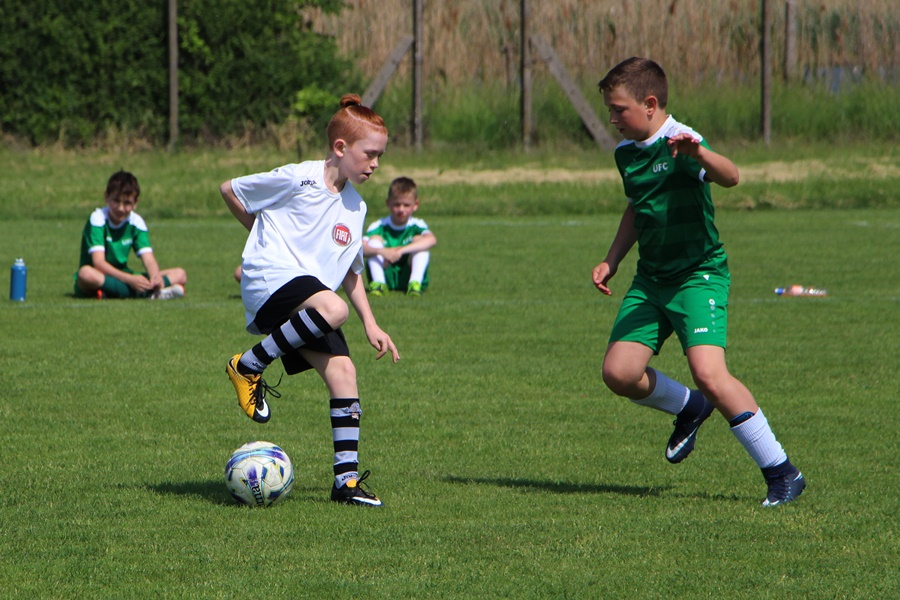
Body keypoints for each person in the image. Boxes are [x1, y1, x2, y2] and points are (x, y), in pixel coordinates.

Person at [592, 57, 805, 507]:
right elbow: (637, 206)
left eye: (618, 109)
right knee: (619, 373)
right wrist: (611, 259)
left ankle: (782, 472)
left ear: (650, 104)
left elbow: (731, 176)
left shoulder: (680, 142)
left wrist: (700, 153)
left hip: (697, 276)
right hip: (651, 279)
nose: (612, 119)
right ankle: (689, 407)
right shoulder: (626, 153)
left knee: (710, 373)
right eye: (609, 110)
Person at [221, 94, 399, 507]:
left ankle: (346, 483)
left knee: (344, 373)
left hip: (308, 299)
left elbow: (351, 270)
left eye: (380, 156)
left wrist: (372, 324)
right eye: (370, 154)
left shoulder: (356, 206)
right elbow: (231, 189)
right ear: (340, 147)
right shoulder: (299, 177)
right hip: (270, 281)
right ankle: (248, 364)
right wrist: (262, 237)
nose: (375, 164)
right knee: (333, 309)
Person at [74, 170, 186, 300]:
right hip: (101, 275)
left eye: (127, 203)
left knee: (180, 274)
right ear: (106, 197)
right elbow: (98, 263)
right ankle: (149, 294)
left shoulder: (136, 222)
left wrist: (155, 277)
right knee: (85, 274)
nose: (121, 208)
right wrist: (130, 280)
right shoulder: (98, 219)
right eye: (116, 201)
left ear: (135, 203)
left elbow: (148, 259)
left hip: (123, 276)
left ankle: (125, 291)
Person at [362, 177, 437, 297]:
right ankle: (379, 284)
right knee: (374, 240)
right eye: (397, 204)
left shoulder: (417, 225)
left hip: (407, 269)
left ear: (415, 205)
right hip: (386, 269)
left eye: (406, 205)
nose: (401, 209)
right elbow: (359, 248)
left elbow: (431, 240)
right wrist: (382, 251)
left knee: (420, 242)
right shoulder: (378, 225)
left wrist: (400, 251)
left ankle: (414, 284)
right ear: (388, 203)